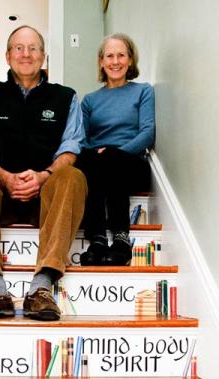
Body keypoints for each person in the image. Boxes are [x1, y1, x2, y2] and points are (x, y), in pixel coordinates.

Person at [0, 25, 87, 321]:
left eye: (32, 48)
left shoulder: (66, 97)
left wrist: (43, 176)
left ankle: (41, 287)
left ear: (43, 56)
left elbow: (71, 148)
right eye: (18, 48)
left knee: (74, 176)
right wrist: (6, 178)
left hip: (48, 197)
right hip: (1, 195)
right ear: (7, 56)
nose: (25, 54)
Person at [78, 33, 155, 266]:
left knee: (111, 159)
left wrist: (117, 153)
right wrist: (98, 154)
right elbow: (81, 139)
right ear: (101, 62)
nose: (115, 61)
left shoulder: (143, 91)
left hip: (132, 164)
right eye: (109, 56)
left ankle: (121, 238)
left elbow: (148, 133)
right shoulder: (90, 100)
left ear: (130, 60)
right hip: (98, 162)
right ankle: (99, 239)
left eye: (121, 55)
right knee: (87, 162)